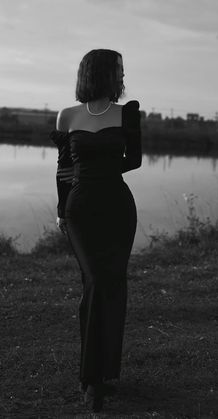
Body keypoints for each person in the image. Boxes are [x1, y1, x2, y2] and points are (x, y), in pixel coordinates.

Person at [50, 48, 142, 413]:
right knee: (95, 281)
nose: (123, 74)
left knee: (112, 283)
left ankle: (102, 375)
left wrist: (100, 166)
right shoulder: (68, 115)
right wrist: (61, 211)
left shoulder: (129, 112)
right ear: (99, 72)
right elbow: (62, 169)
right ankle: (91, 380)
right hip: (81, 211)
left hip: (118, 208)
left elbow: (133, 160)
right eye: (119, 68)